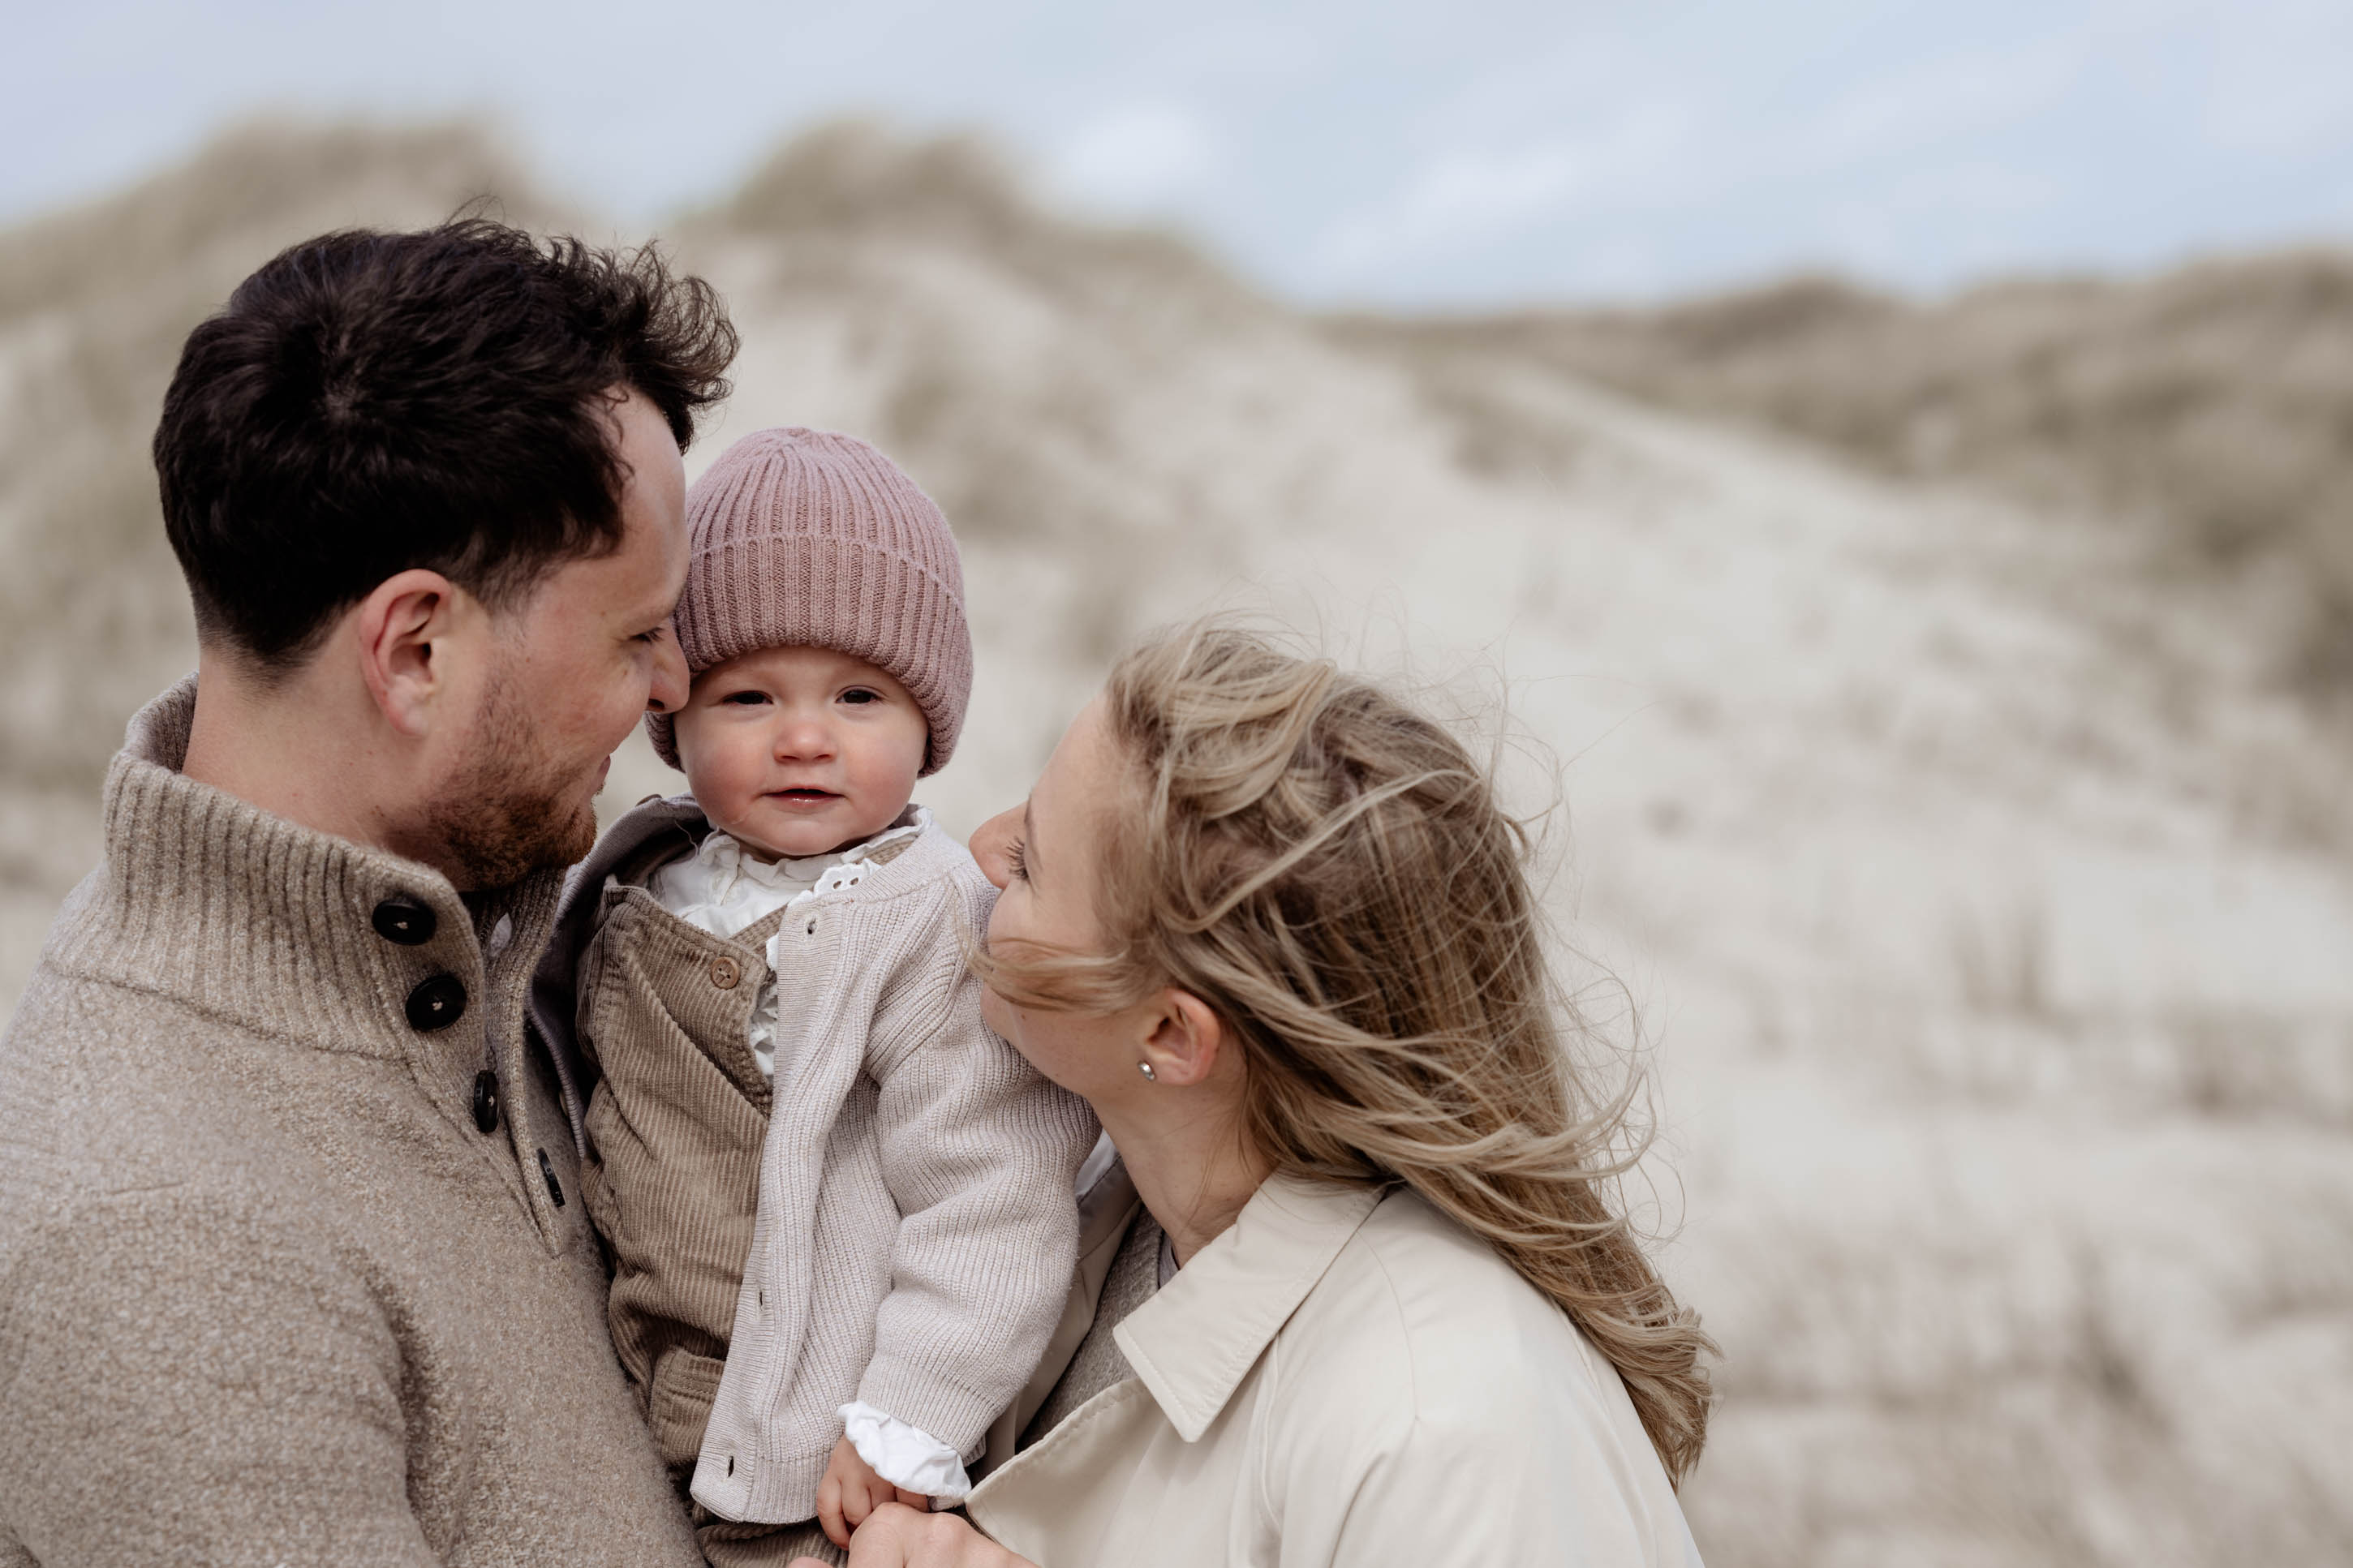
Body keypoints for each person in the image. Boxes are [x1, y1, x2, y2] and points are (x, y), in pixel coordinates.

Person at [0, 218, 737, 1564]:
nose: (678, 686)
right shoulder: (166, 1241)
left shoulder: (475, 926)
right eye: (638, 633)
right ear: (414, 649)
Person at [801, 624, 1716, 1568]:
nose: (982, 851)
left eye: (1032, 862)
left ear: (1169, 1035)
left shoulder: (1444, 1419)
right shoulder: (1090, 1206)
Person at [530, 428, 1097, 1565]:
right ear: (672, 712)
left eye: (856, 695)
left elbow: (994, 1197)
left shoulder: (929, 918)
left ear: (927, 722)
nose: (802, 739)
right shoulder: (634, 878)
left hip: (821, 1453)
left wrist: (909, 1419)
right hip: (641, 1401)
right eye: (746, 697)